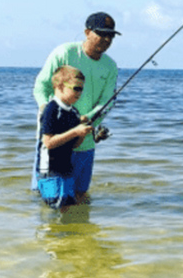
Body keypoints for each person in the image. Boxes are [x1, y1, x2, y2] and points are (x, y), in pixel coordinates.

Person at [32, 11, 120, 201]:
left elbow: (108, 101)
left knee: (80, 195)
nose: (106, 39)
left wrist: (86, 119)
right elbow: (41, 87)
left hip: (85, 138)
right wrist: (51, 113)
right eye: (101, 33)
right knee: (47, 195)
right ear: (87, 32)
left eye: (110, 35)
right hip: (55, 139)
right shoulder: (64, 53)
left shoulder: (111, 66)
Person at [35, 66, 94, 208]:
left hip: (66, 169)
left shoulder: (73, 112)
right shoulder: (51, 110)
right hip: (50, 171)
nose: (80, 93)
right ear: (60, 86)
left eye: (82, 89)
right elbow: (48, 142)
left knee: (68, 207)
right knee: (54, 208)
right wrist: (75, 132)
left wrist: (82, 133)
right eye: (76, 88)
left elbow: (75, 145)